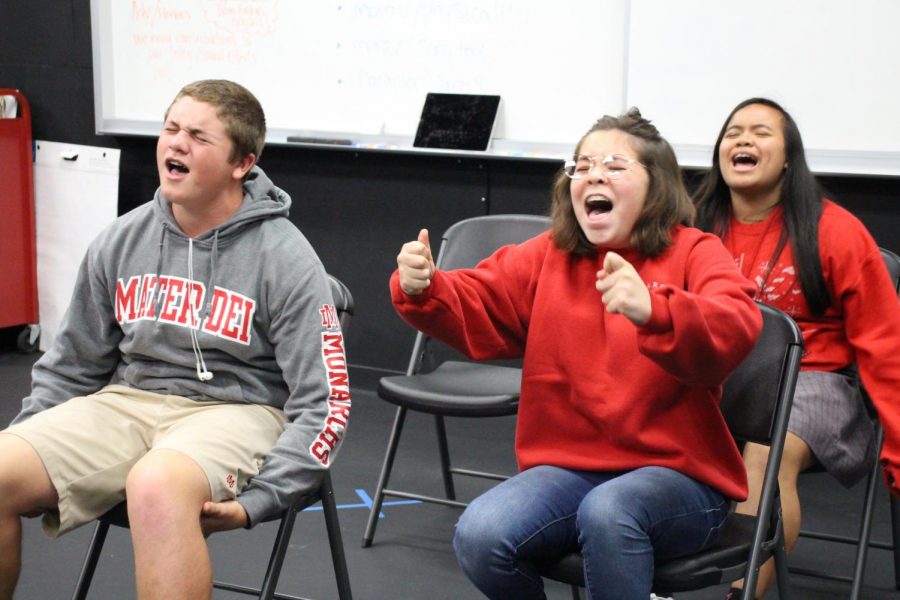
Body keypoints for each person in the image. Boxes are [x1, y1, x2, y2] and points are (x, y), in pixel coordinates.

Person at [391, 108, 763, 599]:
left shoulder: (695, 250)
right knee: (482, 534)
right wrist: (423, 286)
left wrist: (656, 310)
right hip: (571, 470)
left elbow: (736, 324)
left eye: (614, 165)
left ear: (657, 186)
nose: (593, 175)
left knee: (610, 511)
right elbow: (479, 299)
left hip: (680, 477)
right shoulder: (551, 255)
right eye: (582, 166)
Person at [0, 79, 350, 600]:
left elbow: (325, 403)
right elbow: (71, 366)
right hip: (128, 402)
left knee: (156, 486)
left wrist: (266, 496)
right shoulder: (122, 239)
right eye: (171, 129)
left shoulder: (287, 258)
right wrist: (33, 444)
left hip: (240, 411)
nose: (177, 143)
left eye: (199, 136)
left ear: (241, 164)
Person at [694, 97, 900, 599]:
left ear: (789, 156)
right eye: (733, 132)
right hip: (719, 379)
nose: (743, 140)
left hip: (814, 379)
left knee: (765, 455)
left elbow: (885, 343)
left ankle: (739, 594)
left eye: (761, 132)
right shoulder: (692, 224)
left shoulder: (834, 229)